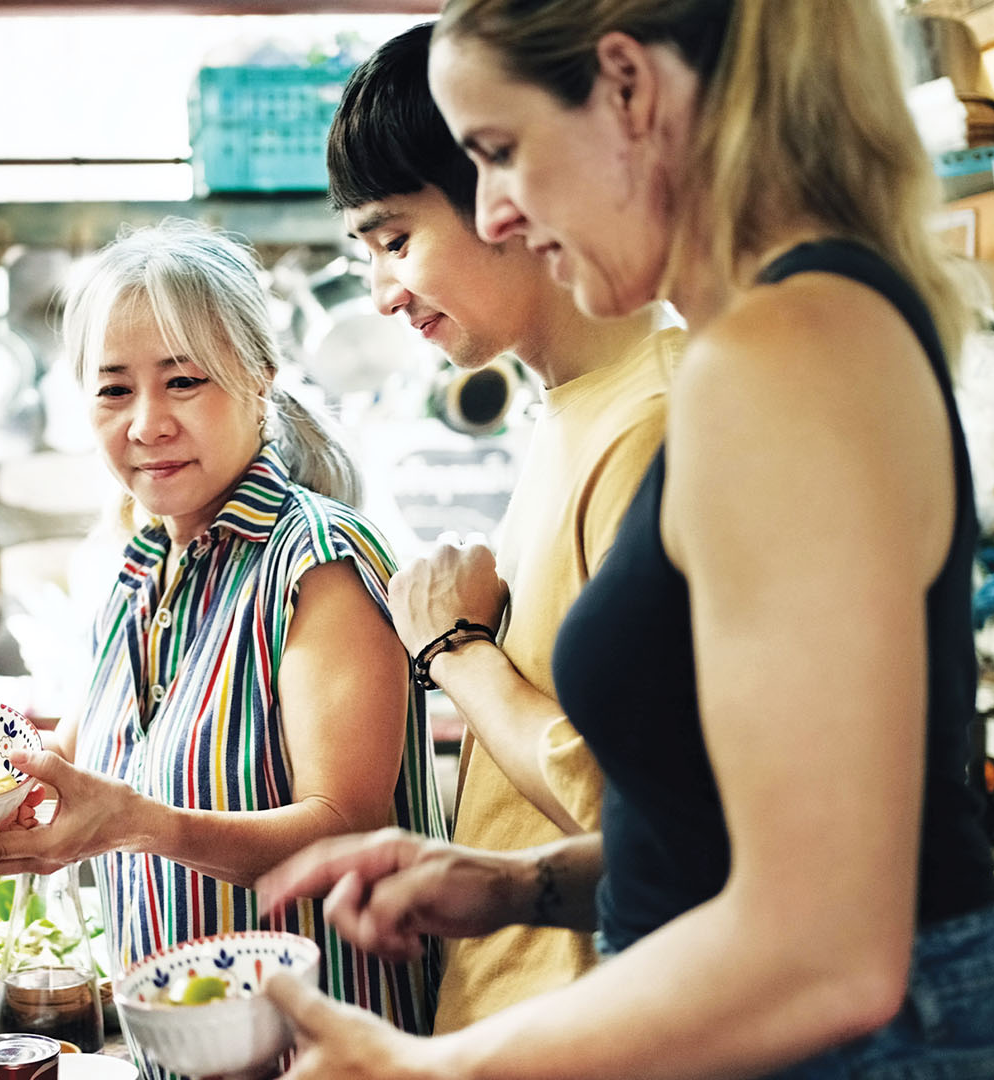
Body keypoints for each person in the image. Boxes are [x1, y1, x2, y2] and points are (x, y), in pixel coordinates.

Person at [252, 1, 994, 1078]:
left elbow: (827, 950)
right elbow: (743, 847)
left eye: (499, 153)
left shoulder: (778, 354)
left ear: (629, 90)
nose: (492, 213)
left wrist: (433, 1071)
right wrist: (517, 885)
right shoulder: (795, 332)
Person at [0, 220, 446, 1071]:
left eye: (184, 381)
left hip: (325, 1053)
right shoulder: (140, 565)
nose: (147, 422)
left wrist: (139, 825)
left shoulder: (318, 562)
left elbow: (346, 828)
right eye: (114, 390)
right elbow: (68, 773)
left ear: (260, 378)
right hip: (180, 1055)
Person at [328, 21, 682, 1034]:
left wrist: (454, 652)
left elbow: (644, 817)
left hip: (589, 1027)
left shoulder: (653, 420)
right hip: (511, 1020)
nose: (387, 293)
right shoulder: (569, 408)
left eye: (398, 239)